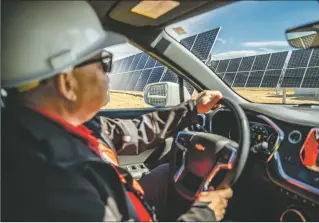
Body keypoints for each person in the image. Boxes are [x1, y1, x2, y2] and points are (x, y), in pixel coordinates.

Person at [1, 1, 233, 222]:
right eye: (103, 63)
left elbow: (136, 130)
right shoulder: (51, 181)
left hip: (125, 202)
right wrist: (204, 215)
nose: (108, 73)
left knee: (164, 174)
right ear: (67, 83)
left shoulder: (73, 127)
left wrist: (193, 108)